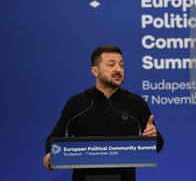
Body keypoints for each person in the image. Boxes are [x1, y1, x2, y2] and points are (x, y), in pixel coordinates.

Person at [43, 45, 164, 181]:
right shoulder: (78, 103)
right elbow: (55, 138)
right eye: (111, 65)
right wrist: (52, 153)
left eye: (121, 65)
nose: (118, 69)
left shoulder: (136, 102)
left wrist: (153, 136)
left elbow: (157, 145)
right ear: (95, 71)